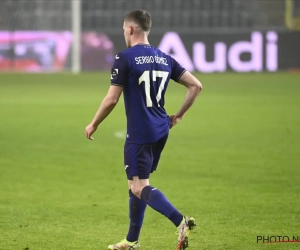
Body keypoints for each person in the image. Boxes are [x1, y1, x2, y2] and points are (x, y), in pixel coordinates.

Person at [85, 9, 202, 250]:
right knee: (136, 184)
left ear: (130, 29)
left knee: (139, 186)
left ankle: (179, 221)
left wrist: (94, 122)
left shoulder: (125, 57)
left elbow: (111, 99)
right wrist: (178, 115)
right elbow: (196, 86)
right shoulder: (164, 57)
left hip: (140, 131)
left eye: (123, 30)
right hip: (161, 128)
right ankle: (131, 241)